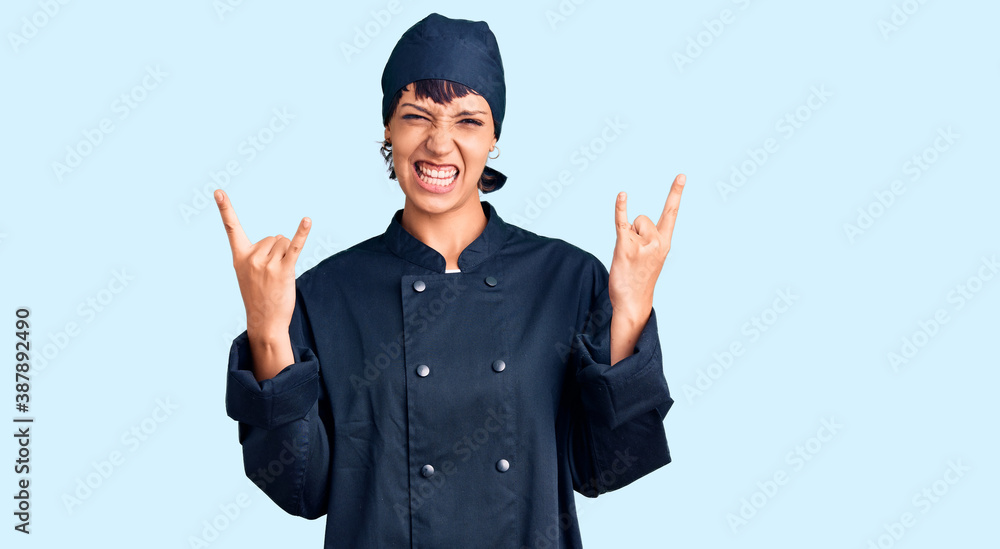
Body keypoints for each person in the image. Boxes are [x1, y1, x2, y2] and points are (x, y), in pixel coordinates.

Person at [217, 12, 686, 549]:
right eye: (417, 116)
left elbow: (604, 468)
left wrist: (630, 309)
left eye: (468, 121)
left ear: (494, 139)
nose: (440, 145)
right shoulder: (328, 294)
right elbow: (299, 488)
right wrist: (267, 329)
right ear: (388, 130)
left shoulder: (568, 279)